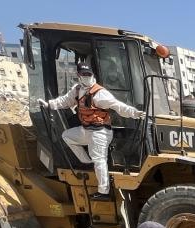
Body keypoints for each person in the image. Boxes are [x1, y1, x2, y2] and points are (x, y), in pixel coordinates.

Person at [39, 64, 144, 200]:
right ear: (79, 76)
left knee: (100, 160)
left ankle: (103, 192)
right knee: (67, 136)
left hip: (100, 131)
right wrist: (49, 104)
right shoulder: (76, 90)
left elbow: (117, 105)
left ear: (93, 75)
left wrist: (134, 113)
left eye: (89, 74)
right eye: (84, 74)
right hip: (86, 130)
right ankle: (86, 161)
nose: (87, 77)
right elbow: (64, 101)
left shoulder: (99, 93)